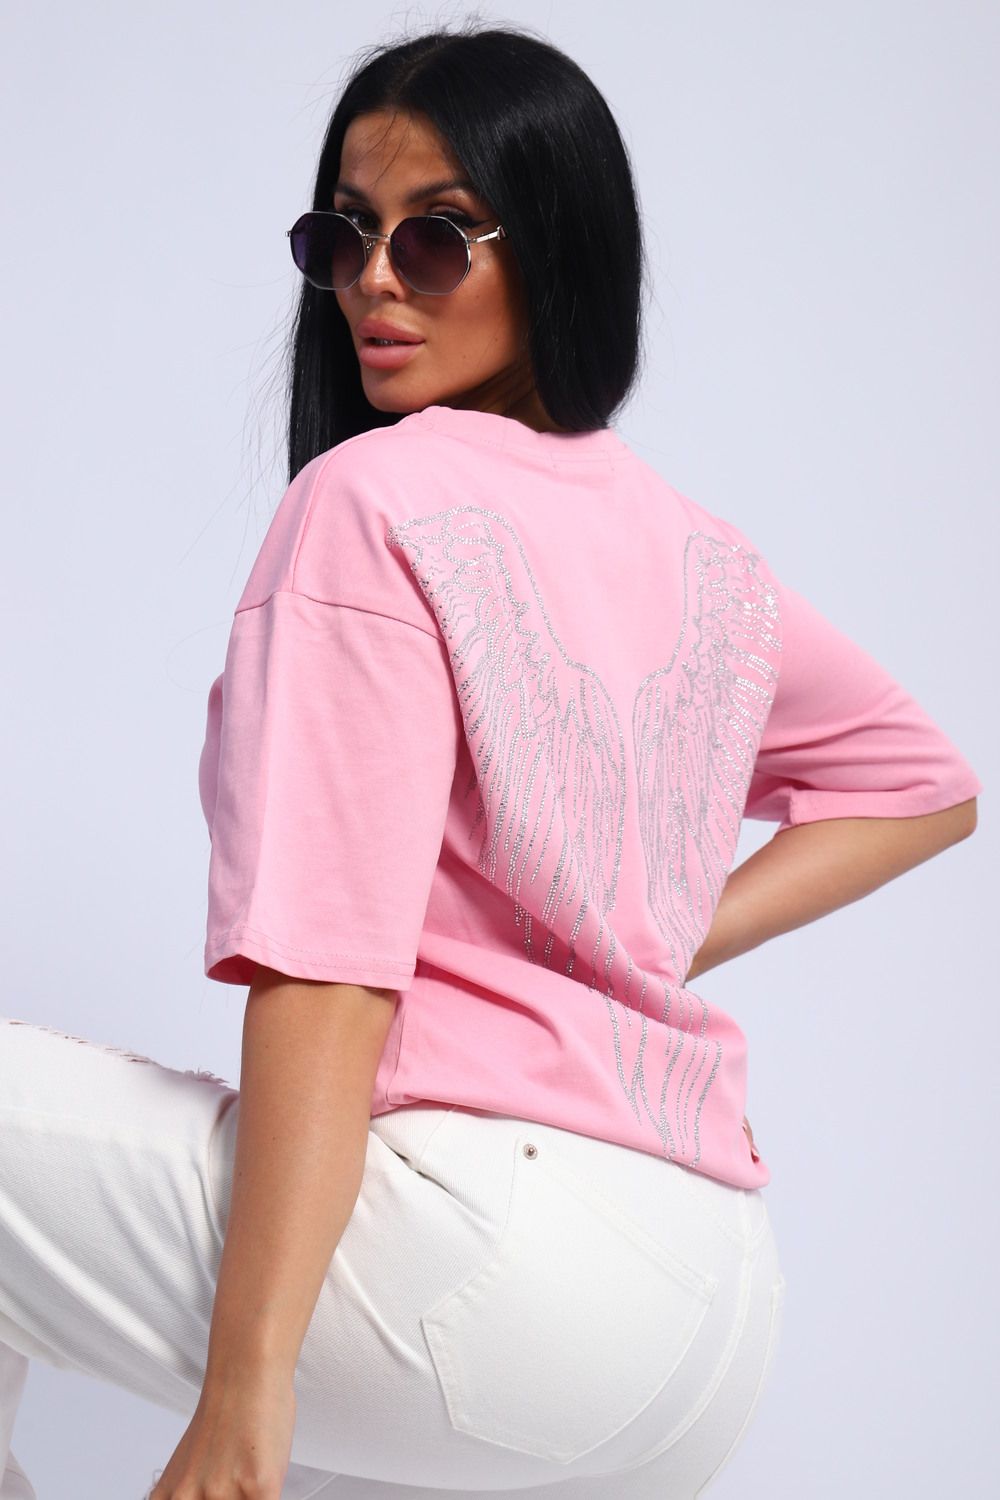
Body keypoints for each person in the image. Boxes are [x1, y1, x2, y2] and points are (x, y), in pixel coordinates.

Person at [0, 21, 982, 1500]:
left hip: (495, 1265)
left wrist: (245, 1384)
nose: (376, 280)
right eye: (345, 234)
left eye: (437, 235)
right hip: (706, 1308)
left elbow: (328, 971)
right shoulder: (698, 551)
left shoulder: (371, 503)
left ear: (556, 247)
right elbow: (926, 784)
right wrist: (632, 952)